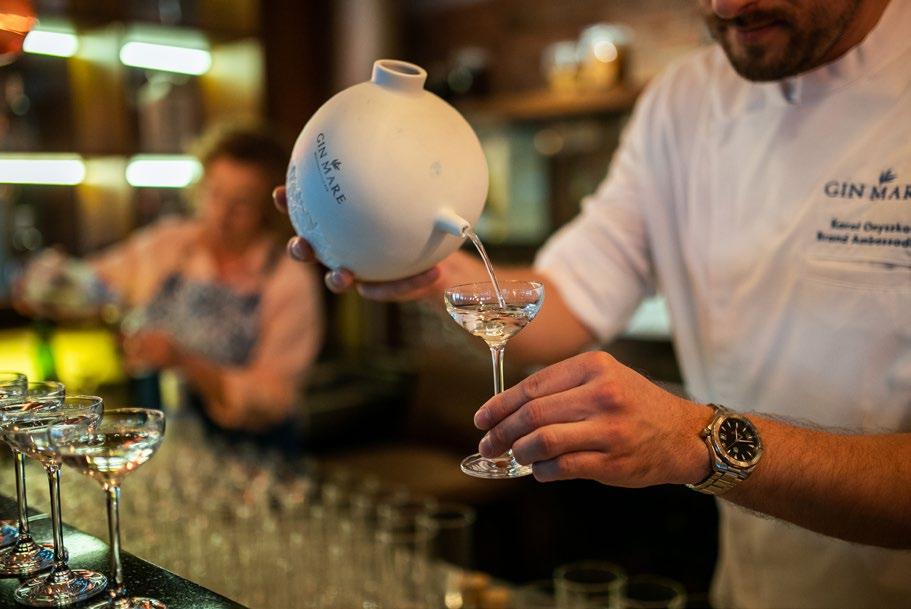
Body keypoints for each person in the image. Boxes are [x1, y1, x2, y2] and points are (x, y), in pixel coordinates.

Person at [275, 0, 911, 606]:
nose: (725, 7)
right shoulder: (685, 101)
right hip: (747, 589)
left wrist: (696, 439)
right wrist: (419, 262)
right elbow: (568, 299)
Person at [20, 126, 324, 443]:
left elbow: (274, 400)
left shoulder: (288, 278)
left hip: (254, 450)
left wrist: (185, 361)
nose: (221, 215)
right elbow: (95, 283)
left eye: (241, 203)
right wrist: (49, 281)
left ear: (268, 209)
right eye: (214, 194)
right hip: (164, 443)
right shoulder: (171, 243)